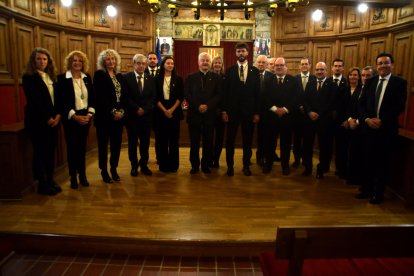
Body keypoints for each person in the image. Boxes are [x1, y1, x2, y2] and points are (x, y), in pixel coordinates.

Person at [357, 53, 407, 204]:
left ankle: (378, 194)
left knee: (382, 164)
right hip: (368, 129)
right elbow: (361, 104)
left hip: (386, 131)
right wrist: (367, 119)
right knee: (367, 161)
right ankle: (366, 190)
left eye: (386, 63)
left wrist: (382, 120)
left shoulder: (399, 83)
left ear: (392, 65)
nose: (383, 66)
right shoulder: (370, 82)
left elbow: (400, 106)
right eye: (380, 63)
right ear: (377, 65)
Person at [22, 47, 62, 195]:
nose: (42, 61)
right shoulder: (29, 77)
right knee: (39, 153)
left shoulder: (51, 76)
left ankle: (50, 180)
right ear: (33, 61)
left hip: (54, 121)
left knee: (50, 152)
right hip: (38, 122)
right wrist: (48, 118)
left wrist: (58, 115)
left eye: (45, 59)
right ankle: (42, 184)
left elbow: (57, 99)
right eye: (39, 59)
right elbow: (34, 101)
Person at [57, 50, 95, 189]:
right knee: (72, 149)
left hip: (85, 117)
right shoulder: (62, 78)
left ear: (83, 63)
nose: (77, 63)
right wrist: (74, 116)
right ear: (70, 62)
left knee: (81, 148)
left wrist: (89, 115)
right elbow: (61, 101)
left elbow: (92, 98)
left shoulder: (87, 77)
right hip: (71, 119)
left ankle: (83, 175)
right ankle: (73, 176)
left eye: (80, 61)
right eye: (74, 60)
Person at [222, 43, 260, 176]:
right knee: (230, 140)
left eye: (243, 51)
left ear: (247, 53)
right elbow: (225, 93)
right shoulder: (230, 70)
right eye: (238, 51)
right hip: (232, 112)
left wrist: (256, 112)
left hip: (249, 113)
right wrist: (224, 110)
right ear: (235, 53)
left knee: (247, 140)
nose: (241, 54)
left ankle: (246, 166)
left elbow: (257, 93)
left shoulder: (255, 71)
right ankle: (230, 166)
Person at [262, 57, 300, 175]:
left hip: (287, 118)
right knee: (269, 143)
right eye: (276, 65)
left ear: (286, 67)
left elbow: (296, 98)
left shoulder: (293, 81)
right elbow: (264, 97)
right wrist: (275, 109)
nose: (278, 67)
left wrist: (284, 109)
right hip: (271, 117)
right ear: (274, 67)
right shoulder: (268, 80)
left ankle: (285, 166)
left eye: (281, 65)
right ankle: (268, 164)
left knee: (286, 144)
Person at [185, 53, 222, 174]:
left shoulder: (216, 78)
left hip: (209, 116)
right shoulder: (191, 77)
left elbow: (218, 95)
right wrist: (197, 106)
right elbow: (187, 94)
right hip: (194, 115)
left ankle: (206, 165)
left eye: (207, 60)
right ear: (198, 62)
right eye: (203, 60)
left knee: (208, 142)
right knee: (194, 143)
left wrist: (208, 106)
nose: (205, 62)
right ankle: (194, 165)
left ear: (210, 63)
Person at [93, 49, 126, 183]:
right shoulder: (99, 75)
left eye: (113, 59)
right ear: (103, 61)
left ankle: (113, 168)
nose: (111, 61)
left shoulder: (119, 76)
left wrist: (121, 111)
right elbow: (100, 98)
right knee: (103, 146)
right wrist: (113, 111)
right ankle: (104, 171)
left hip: (118, 118)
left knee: (116, 145)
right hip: (104, 118)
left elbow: (123, 96)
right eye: (108, 59)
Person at [302, 62, 337, 179]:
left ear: (326, 71)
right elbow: (305, 100)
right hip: (309, 120)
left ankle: (321, 169)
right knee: (307, 145)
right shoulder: (310, 83)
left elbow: (331, 102)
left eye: (322, 69)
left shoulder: (332, 84)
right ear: (314, 70)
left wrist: (319, 113)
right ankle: (307, 168)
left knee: (324, 146)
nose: (319, 72)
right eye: (317, 69)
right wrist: (309, 112)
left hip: (324, 121)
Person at [124, 54, 156, 177]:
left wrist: (144, 109)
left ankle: (144, 165)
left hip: (146, 117)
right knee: (132, 143)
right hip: (132, 117)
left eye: (143, 63)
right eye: (138, 63)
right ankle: (134, 166)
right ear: (134, 64)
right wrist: (136, 108)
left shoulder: (150, 79)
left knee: (145, 143)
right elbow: (125, 97)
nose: (141, 66)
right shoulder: (126, 78)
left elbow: (153, 97)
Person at [154, 56, 184, 173]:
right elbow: (155, 97)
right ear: (163, 65)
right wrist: (164, 110)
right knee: (161, 141)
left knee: (173, 141)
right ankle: (163, 165)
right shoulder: (157, 79)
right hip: (160, 113)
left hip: (174, 113)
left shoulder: (178, 79)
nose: (170, 65)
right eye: (168, 63)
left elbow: (180, 97)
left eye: (172, 63)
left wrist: (171, 110)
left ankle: (173, 165)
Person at [328, 58, 350, 179]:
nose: (337, 68)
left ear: (343, 68)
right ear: (332, 68)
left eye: (339, 66)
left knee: (341, 146)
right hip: (328, 120)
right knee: (326, 145)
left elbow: (348, 104)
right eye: (335, 66)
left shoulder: (347, 83)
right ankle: (325, 167)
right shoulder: (327, 81)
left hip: (342, 121)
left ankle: (340, 168)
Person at [292, 57, 316, 168]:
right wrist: (299, 106)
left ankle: (307, 161)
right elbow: (291, 96)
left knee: (308, 141)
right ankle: (297, 160)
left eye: (306, 64)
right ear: (299, 66)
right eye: (302, 64)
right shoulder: (294, 79)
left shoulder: (315, 79)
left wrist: (308, 109)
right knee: (296, 140)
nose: (304, 66)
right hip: (297, 115)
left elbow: (315, 98)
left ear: (310, 65)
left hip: (309, 115)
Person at [344, 67, 363, 185]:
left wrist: (355, 121)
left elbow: (362, 107)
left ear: (359, 77)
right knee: (344, 149)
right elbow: (342, 106)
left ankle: (354, 175)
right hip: (345, 123)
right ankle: (345, 172)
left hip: (358, 125)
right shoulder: (344, 89)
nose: (353, 77)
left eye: (355, 75)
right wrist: (348, 119)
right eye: (351, 75)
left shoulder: (362, 90)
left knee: (355, 151)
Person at [254, 55, 273, 167]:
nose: (261, 64)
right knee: (258, 136)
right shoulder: (251, 75)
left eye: (263, 62)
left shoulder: (272, 76)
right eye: (259, 62)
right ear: (256, 63)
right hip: (254, 110)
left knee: (267, 136)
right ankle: (259, 156)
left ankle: (266, 156)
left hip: (268, 112)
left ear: (267, 64)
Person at [210, 55, 226, 168]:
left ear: (222, 65)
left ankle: (216, 160)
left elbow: (227, 96)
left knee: (219, 138)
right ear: (212, 65)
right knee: (209, 138)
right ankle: (209, 159)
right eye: (215, 63)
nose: (217, 65)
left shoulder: (226, 77)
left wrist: (224, 111)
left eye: (219, 63)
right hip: (209, 112)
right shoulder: (208, 76)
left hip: (221, 113)